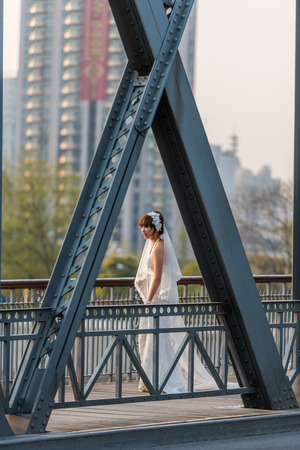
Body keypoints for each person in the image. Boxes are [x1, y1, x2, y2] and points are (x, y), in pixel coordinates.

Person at [135, 210, 218, 394]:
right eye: (142, 226)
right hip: (155, 298)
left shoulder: (159, 247)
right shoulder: (152, 244)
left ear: (155, 227)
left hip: (159, 299)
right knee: (152, 339)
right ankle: (151, 379)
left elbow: (157, 278)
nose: (143, 230)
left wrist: (148, 301)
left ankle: (162, 380)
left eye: (147, 226)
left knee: (160, 339)